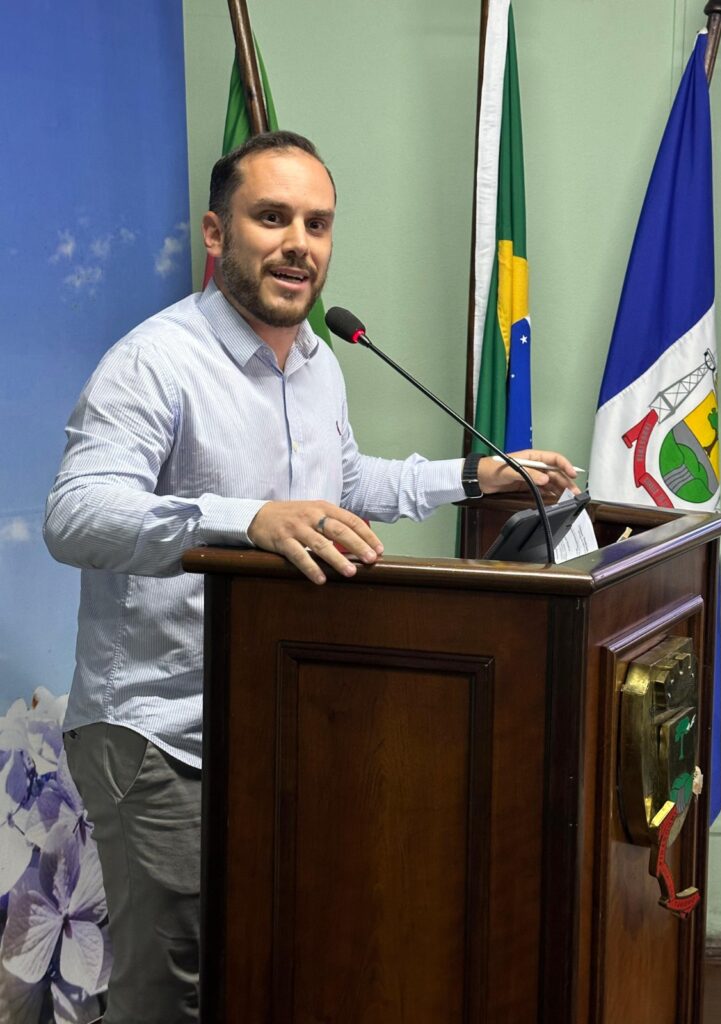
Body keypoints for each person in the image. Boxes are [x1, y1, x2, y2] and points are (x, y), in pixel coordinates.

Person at [44, 130, 578, 1023]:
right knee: (171, 991)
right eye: (273, 217)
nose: (300, 243)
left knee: (266, 958)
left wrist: (473, 476)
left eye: (318, 223)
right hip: (160, 731)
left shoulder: (319, 359)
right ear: (218, 235)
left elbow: (343, 486)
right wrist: (242, 519)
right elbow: (76, 515)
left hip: (280, 714)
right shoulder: (154, 362)